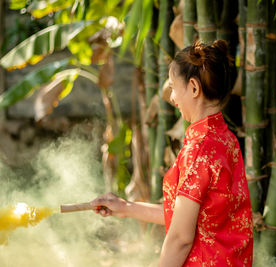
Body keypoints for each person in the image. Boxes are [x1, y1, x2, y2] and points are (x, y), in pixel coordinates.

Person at [90, 40, 253, 267]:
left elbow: (180, 239)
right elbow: (191, 219)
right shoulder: (225, 138)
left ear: (194, 88)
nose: (172, 97)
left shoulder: (198, 150)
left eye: (174, 87)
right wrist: (126, 208)